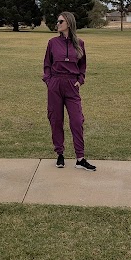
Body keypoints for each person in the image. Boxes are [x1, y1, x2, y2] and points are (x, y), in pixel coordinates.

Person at [42, 11, 96, 171]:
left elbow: (82, 65)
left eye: (60, 22)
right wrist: (48, 80)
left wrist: (80, 80)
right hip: (55, 84)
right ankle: (60, 154)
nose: (57, 24)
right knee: (56, 119)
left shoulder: (80, 43)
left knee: (77, 121)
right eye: (57, 21)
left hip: (72, 85)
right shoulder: (52, 42)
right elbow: (46, 64)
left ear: (69, 24)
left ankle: (80, 158)